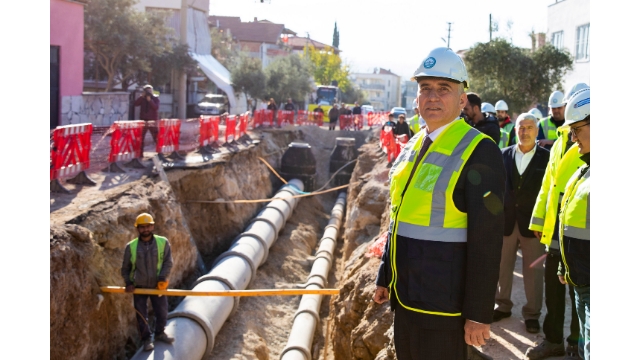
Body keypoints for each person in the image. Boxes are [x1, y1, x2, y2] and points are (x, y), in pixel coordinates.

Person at [373, 47, 505, 360]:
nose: (432, 97)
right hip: (405, 296)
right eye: (425, 89)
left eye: (444, 89)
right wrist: (385, 274)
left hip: (444, 306)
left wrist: (479, 312)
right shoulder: (416, 143)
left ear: (462, 100)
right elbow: (400, 214)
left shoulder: (479, 150)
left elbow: (487, 240)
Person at [525, 93, 586, 360]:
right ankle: (553, 340)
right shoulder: (563, 138)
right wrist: (538, 220)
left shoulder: (583, 144)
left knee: (579, 292)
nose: (574, 135)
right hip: (555, 231)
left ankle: (576, 341)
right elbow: (548, 186)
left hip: (578, 233)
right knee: (554, 288)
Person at [493, 113, 549, 335]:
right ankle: (502, 305)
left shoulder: (547, 158)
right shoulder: (503, 155)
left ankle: (532, 314)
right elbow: (493, 189)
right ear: (515, 130)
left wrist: (544, 222)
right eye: (521, 127)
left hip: (533, 226)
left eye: (529, 127)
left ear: (536, 131)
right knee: (502, 267)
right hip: (506, 222)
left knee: (534, 272)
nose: (524, 131)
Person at [557, 88, 590, 360]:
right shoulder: (583, 171)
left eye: (577, 129)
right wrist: (563, 264)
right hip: (580, 281)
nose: (572, 137)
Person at [121, 213, 174, 351]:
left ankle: (160, 333)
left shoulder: (163, 242)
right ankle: (146, 340)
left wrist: (162, 278)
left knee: (162, 311)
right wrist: (128, 283)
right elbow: (125, 268)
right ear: (137, 229)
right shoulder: (131, 246)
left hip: (158, 285)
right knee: (141, 315)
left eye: (148, 226)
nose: (146, 229)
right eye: (142, 227)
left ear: (153, 226)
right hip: (139, 286)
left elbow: (168, 262)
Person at [134, 85, 160, 155]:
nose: (149, 92)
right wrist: (142, 97)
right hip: (143, 121)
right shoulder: (142, 99)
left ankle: (160, 153)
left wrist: (150, 100)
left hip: (152, 121)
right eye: (147, 91)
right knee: (141, 138)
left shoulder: (155, 99)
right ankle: (140, 153)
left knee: (156, 137)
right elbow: (135, 104)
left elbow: (155, 107)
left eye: (150, 91)